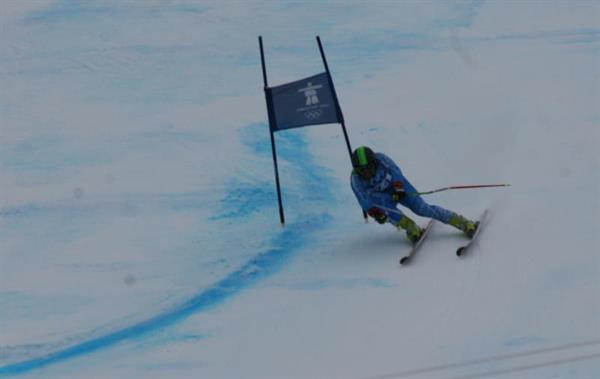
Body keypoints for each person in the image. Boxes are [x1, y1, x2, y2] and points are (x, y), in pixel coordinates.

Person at [350, 146, 478, 243]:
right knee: (388, 212)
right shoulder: (356, 180)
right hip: (382, 198)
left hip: (397, 187)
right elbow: (364, 201)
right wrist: (376, 214)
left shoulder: (382, 159)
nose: (367, 173)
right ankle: (411, 228)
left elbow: (397, 174)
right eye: (363, 171)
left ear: (375, 163)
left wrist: (399, 189)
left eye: (369, 168)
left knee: (422, 209)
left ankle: (462, 222)